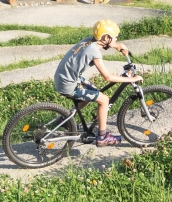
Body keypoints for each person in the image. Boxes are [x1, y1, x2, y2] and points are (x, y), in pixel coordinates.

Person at [53, 19, 139, 147]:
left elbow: (106, 43)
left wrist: (118, 46)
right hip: (68, 85)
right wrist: (132, 79)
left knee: (94, 93)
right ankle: (103, 137)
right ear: (106, 38)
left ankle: (65, 119)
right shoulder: (94, 51)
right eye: (114, 38)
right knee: (104, 100)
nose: (116, 40)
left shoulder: (89, 41)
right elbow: (108, 77)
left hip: (65, 78)